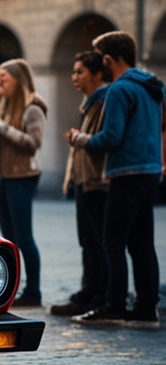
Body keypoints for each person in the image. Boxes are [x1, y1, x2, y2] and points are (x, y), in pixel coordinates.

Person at [70, 31, 163, 329]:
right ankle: (146, 310)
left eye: (102, 60)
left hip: (126, 172)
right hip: (150, 170)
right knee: (142, 244)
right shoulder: (152, 85)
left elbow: (111, 138)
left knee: (112, 242)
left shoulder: (120, 90)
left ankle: (114, 306)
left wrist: (82, 139)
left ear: (109, 59)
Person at [0, 59, 47, 307]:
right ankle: (12, 290)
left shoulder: (33, 108)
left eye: (4, 77)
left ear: (18, 79)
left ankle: (33, 292)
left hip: (21, 177)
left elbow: (32, 143)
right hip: (1, 177)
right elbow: (3, 140)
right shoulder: (2, 108)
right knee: (9, 239)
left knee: (24, 237)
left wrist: (3, 129)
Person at [49, 51, 110, 317]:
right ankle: (88, 293)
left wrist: (79, 138)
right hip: (84, 181)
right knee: (87, 240)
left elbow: (105, 140)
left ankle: (101, 296)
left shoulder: (105, 99)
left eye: (80, 71)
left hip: (98, 182)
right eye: (73, 71)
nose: (74, 77)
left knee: (100, 242)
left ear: (97, 74)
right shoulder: (89, 102)